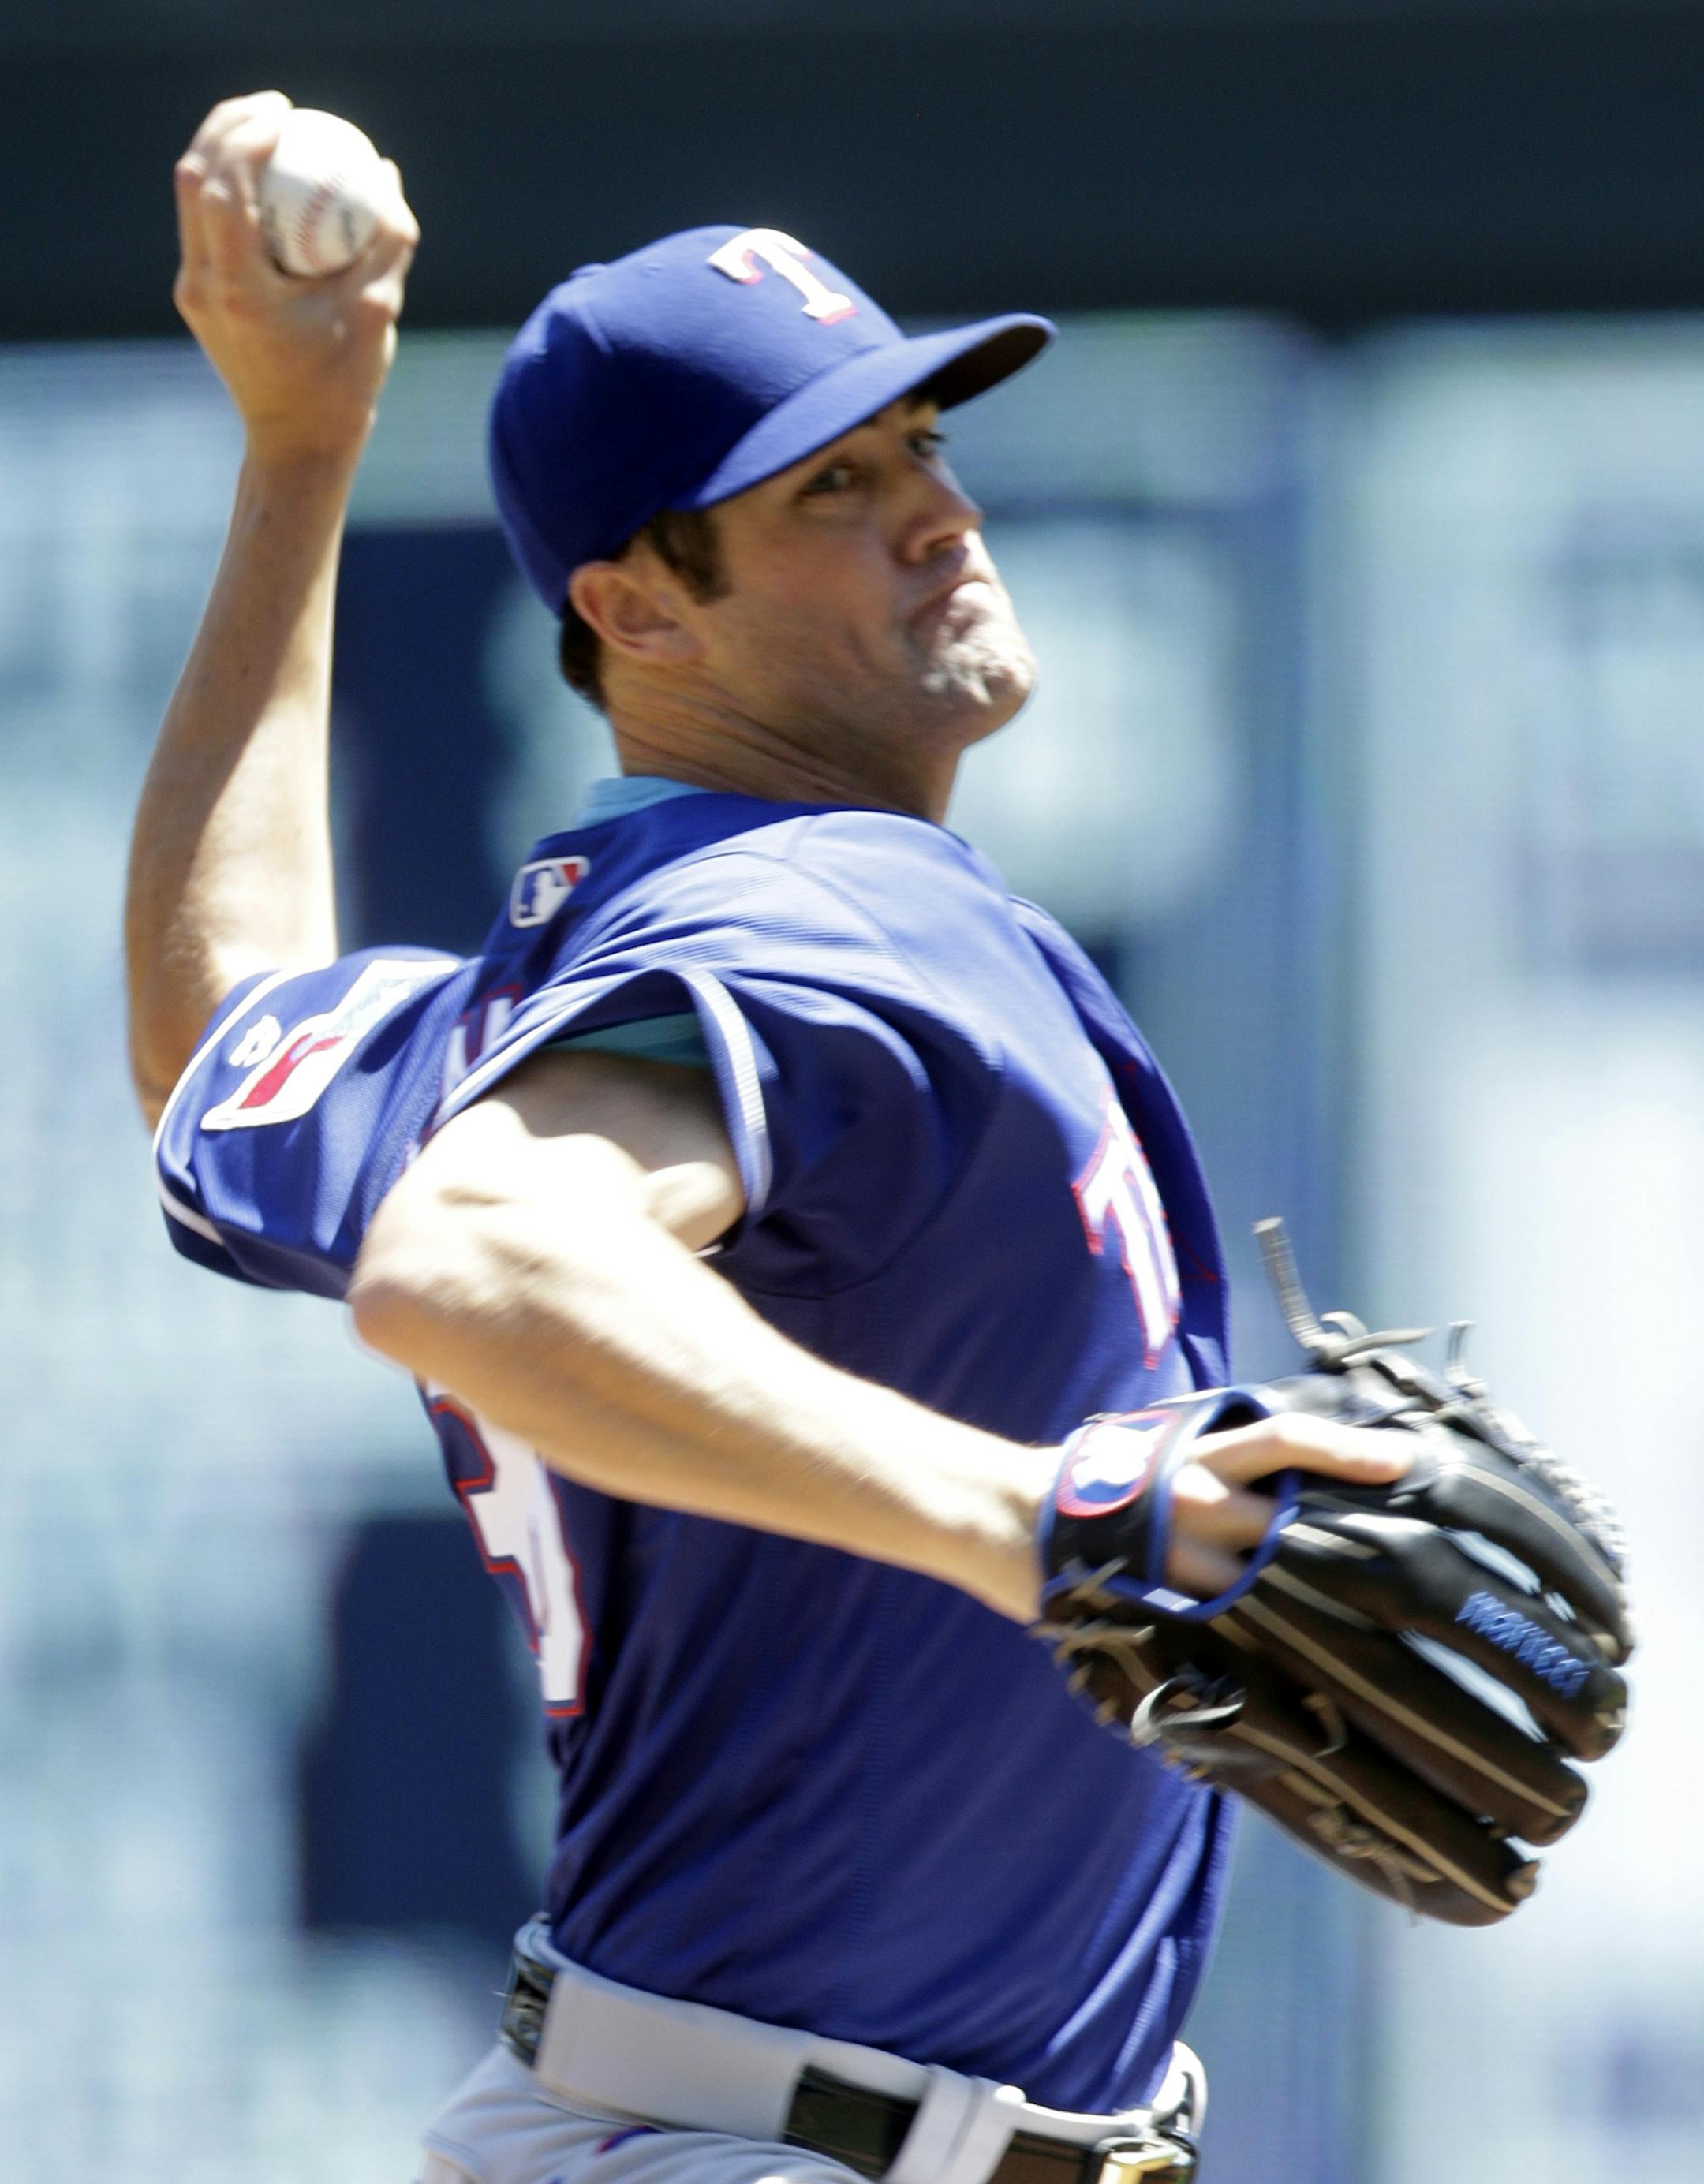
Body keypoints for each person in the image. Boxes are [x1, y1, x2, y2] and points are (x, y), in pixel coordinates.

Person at [128, 92, 1411, 2184]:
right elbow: (479, 1263)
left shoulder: (570, 982)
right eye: (833, 483)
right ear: (639, 612)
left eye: (922, 446)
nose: (937, 512)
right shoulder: (815, 908)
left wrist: (300, 451)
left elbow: (219, 1033)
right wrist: (1041, 1512)